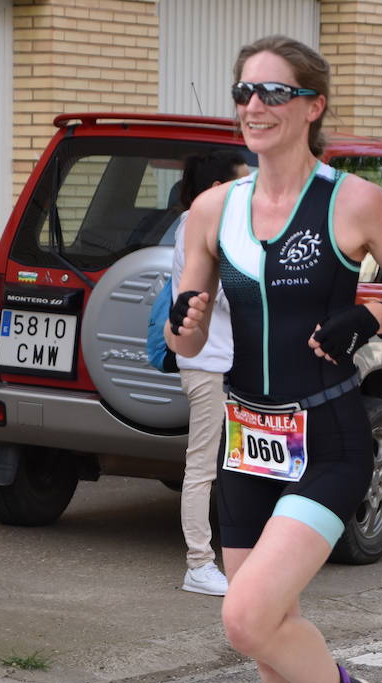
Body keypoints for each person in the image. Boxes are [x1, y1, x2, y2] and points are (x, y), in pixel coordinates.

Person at [168, 36, 382, 683]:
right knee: (265, 634)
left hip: (327, 434)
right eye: (243, 92)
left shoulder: (351, 202)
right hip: (245, 435)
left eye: (273, 93)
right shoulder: (212, 210)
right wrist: (181, 325)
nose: (253, 106)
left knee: (247, 617)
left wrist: (375, 314)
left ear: (311, 107)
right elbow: (187, 342)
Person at [172, 150, 250, 597]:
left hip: (224, 363)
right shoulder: (198, 227)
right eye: (240, 184)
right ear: (218, 187)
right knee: (202, 467)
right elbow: (210, 296)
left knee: (231, 466)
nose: (248, 192)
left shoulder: (202, 224)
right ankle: (198, 563)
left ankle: (232, 557)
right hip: (206, 365)